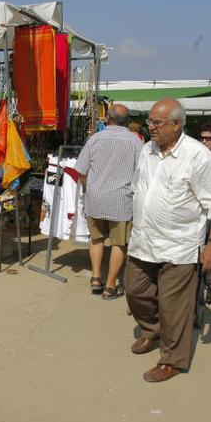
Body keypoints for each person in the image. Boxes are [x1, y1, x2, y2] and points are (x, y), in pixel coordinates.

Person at [125, 98, 211, 383]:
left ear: (176, 124)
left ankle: (172, 359)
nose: (151, 127)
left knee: (175, 307)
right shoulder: (147, 150)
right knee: (135, 292)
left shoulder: (197, 156)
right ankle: (153, 330)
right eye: (149, 121)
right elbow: (140, 189)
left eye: (156, 123)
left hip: (179, 246)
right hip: (143, 241)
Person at [74, 104, 143, 300]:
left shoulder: (95, 139)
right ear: (127, 121)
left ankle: (96, 278)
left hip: (95, 198)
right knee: (119, 243)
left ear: (107, 119)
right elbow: (142, 173)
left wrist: (89, 189)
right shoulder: (135, 142)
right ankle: (110, 286)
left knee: (96, 239)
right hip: (121, 200)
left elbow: (81, 170)